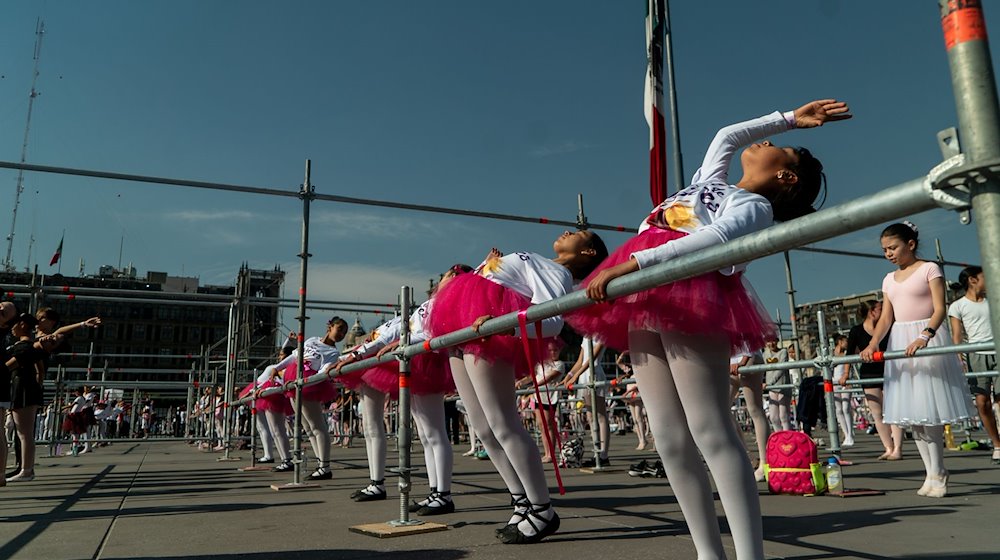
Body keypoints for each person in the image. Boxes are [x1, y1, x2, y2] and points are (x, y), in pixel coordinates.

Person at [569, 99, 850, 559]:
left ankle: (749, 555)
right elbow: (726, 135)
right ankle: (707, 553)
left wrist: (638, 262)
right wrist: (788, 119)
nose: (765, 143)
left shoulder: (754, 205)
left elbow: (716, 240)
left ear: (786, 177)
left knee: (710, 428)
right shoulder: (709, 182)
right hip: (645, 293)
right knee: (668, 436)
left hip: (689, 298)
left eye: (781, 146)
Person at [428, 230, 608, 544]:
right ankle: (521, 500)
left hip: (487, 333)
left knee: (503, 425)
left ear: (588, 252)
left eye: (578, 233)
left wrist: (505, 323)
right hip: (465, 327)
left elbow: (550, 319)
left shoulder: (555, 271)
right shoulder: (540, 262)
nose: (567, 232)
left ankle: (542, 509)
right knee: (484, 429)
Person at [335, 265, 468, 513]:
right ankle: (435, 490)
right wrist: (358, 354)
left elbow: (434, 331)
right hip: (416, 360)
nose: (446, 276)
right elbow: (398, 329)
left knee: (435, 431)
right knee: (426, 434)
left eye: (452, 275)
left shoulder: (449, 304)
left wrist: (402, 342)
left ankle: (443, 493)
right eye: (447, 273)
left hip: (427, 362)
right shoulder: (426, 306)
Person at [861, 221, 972, 497]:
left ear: (910, 244)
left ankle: (939, 471)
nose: (889, 253)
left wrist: (925, 335)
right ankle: (930, 473)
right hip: (900, 339)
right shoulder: (888, 279)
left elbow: (940, 308)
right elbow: (887, 317)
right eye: (885, 249)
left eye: (893, 247)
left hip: (925, 336)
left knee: (929, 409)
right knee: (913, 415)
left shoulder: (929, 268)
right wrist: (873, 342)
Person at [260, 318, 347, 480]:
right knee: (307, 427)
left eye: (344, 332)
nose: (341, 334)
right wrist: (277, 368)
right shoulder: (312, 340)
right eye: (339, 329)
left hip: (307, 384)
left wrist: (305, 382)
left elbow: (323, 371)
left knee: (317, 426)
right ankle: (321, 462)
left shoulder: (333, 352)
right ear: (330, 327)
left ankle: (324, 466)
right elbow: (294, 356)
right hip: (293, 383)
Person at [948, 265, 1000, 464]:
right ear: (972, 280)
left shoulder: (992, 301)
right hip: (976, 356)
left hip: (997, 351)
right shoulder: (957, 306)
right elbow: (956, 336)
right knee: (982, 402)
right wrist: (958, 357)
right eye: (984, 276)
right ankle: (997, 444)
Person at [847, 300, 902, 460]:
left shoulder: (888, 327)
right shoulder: (856, 331)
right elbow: (849, 354)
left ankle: (898, 447)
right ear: (872, 312)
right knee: (877, 413)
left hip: (890, 371)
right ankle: (888, 447)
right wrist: (845, 374)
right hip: (869, 373)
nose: (884, 311)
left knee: (894, 411)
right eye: (880, 309)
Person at [561, 337, 611, 466]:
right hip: (584, 375)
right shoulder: (586, 336)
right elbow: (580, 360)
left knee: (600, 415)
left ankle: (603, 455)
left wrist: (576, 376)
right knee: (590, 416)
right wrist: (569, 376)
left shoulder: (602, 333)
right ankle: (597, 453)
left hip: (593, 373)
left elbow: (593, 357)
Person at [517, 346, 565, 463]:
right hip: (538, 397)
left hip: (549, 397)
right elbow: (531, 376)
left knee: (548, 425)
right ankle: (547, 452)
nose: (553, 352)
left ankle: (551, 453)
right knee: (541, 425)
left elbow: (550, 377)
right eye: (551, 350)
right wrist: (521, 382)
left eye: (556, 350)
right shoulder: (540, 364)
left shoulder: (559, 364)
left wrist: (536, 385)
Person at [730, 350, 769, 482]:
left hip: (747, 355)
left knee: (755, 409)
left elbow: (748, 332)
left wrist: (744, 359)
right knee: (722, 409)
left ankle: (765, 463)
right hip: (729, 358)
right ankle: (749, 457)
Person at [763, 339, 792, 432]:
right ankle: (779, 438)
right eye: (769, 341)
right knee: (773, 418)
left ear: (777, 341)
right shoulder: (765, 354)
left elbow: (781, 369)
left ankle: (788, 437)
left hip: (783, 387)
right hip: (772, 388)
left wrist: (770, 382)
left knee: (784, 416)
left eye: (773, 340)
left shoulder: (783, 352)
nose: (771, 343)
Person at [831, 334, 855, 447]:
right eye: (845, 341)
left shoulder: (847, 353)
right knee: (838, 409)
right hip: (834, 382)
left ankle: (850, 434)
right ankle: (846, 434)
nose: (847, 343)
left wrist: (849, 378)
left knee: (846, 408)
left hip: (846, 382)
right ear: (839, 342)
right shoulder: (831, 354)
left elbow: (849, 367)